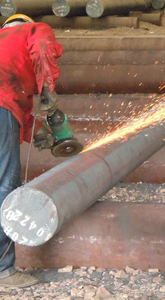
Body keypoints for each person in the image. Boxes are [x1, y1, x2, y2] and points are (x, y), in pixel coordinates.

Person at [0, 14, 63, 288]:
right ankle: (3, 271)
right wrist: (48, 88)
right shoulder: (34, 29)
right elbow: (42, 48)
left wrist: (36, 131)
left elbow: (19, 104)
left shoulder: (5, 52)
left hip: (5, 108)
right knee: (5, 186)